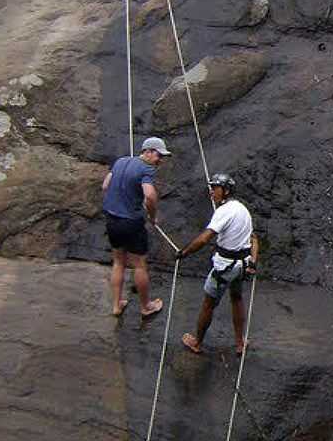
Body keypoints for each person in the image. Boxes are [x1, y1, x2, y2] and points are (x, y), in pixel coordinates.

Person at [177, 172, 259, 355]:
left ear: (226, 191)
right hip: (242, 265)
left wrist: (185, 252)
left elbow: (205, 239)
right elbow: (254, 238)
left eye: (215, 188)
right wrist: (253, 261)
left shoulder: (223, 212)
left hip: (225, 267)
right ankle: (239, 342)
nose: (212, 192)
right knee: (236, 298)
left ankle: (197, 342)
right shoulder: (242, 209)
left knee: (208, 304)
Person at [102, 136, 171, 319]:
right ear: (147, 152)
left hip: (112, 219)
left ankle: (116, 305)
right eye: (158, 155)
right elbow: (149, 195)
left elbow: (105, 185)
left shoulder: (120, 161)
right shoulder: (146, 169)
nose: (160, 160)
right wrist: (153, 216)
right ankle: (146, 306)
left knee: (118, 261)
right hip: (131, 222)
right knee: (139, 264)